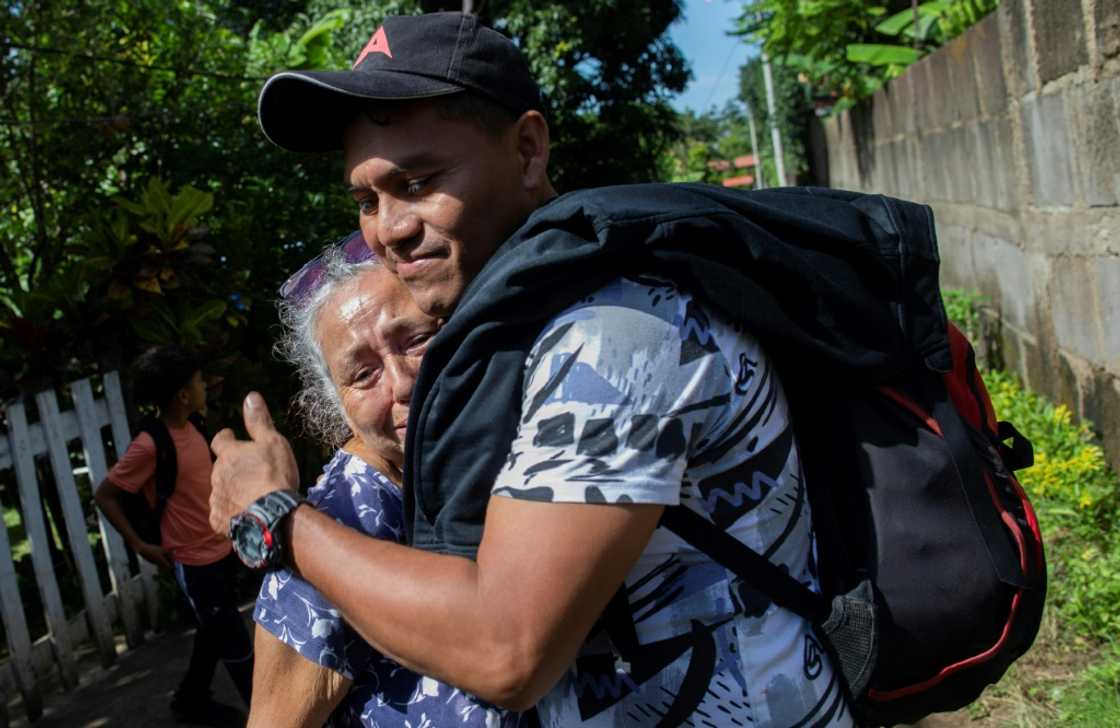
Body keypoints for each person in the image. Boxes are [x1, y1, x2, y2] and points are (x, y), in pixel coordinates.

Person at [210, 11, 853, 727]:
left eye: (419, 182)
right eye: (366, 200)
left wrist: (277, 517)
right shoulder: (534, 330)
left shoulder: (614, 338)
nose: (388, 228)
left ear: (526, 150)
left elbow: (506, 651)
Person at [248, 234, 528, 727]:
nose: (401, 384)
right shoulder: (343, 517)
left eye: (416, 341)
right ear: (337, 405)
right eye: (362, 374)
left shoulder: (519, 449)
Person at [94, 344, 253, 724]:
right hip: (193, 560)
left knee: (212, 629)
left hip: (221, 547)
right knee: (234, 637)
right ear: (183, 395)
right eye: (199, 382)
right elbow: (106, 495)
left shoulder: (194, 426)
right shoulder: (151, 444)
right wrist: (141, 545)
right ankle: (267, 716)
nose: (205, 386)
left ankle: (190, 699)